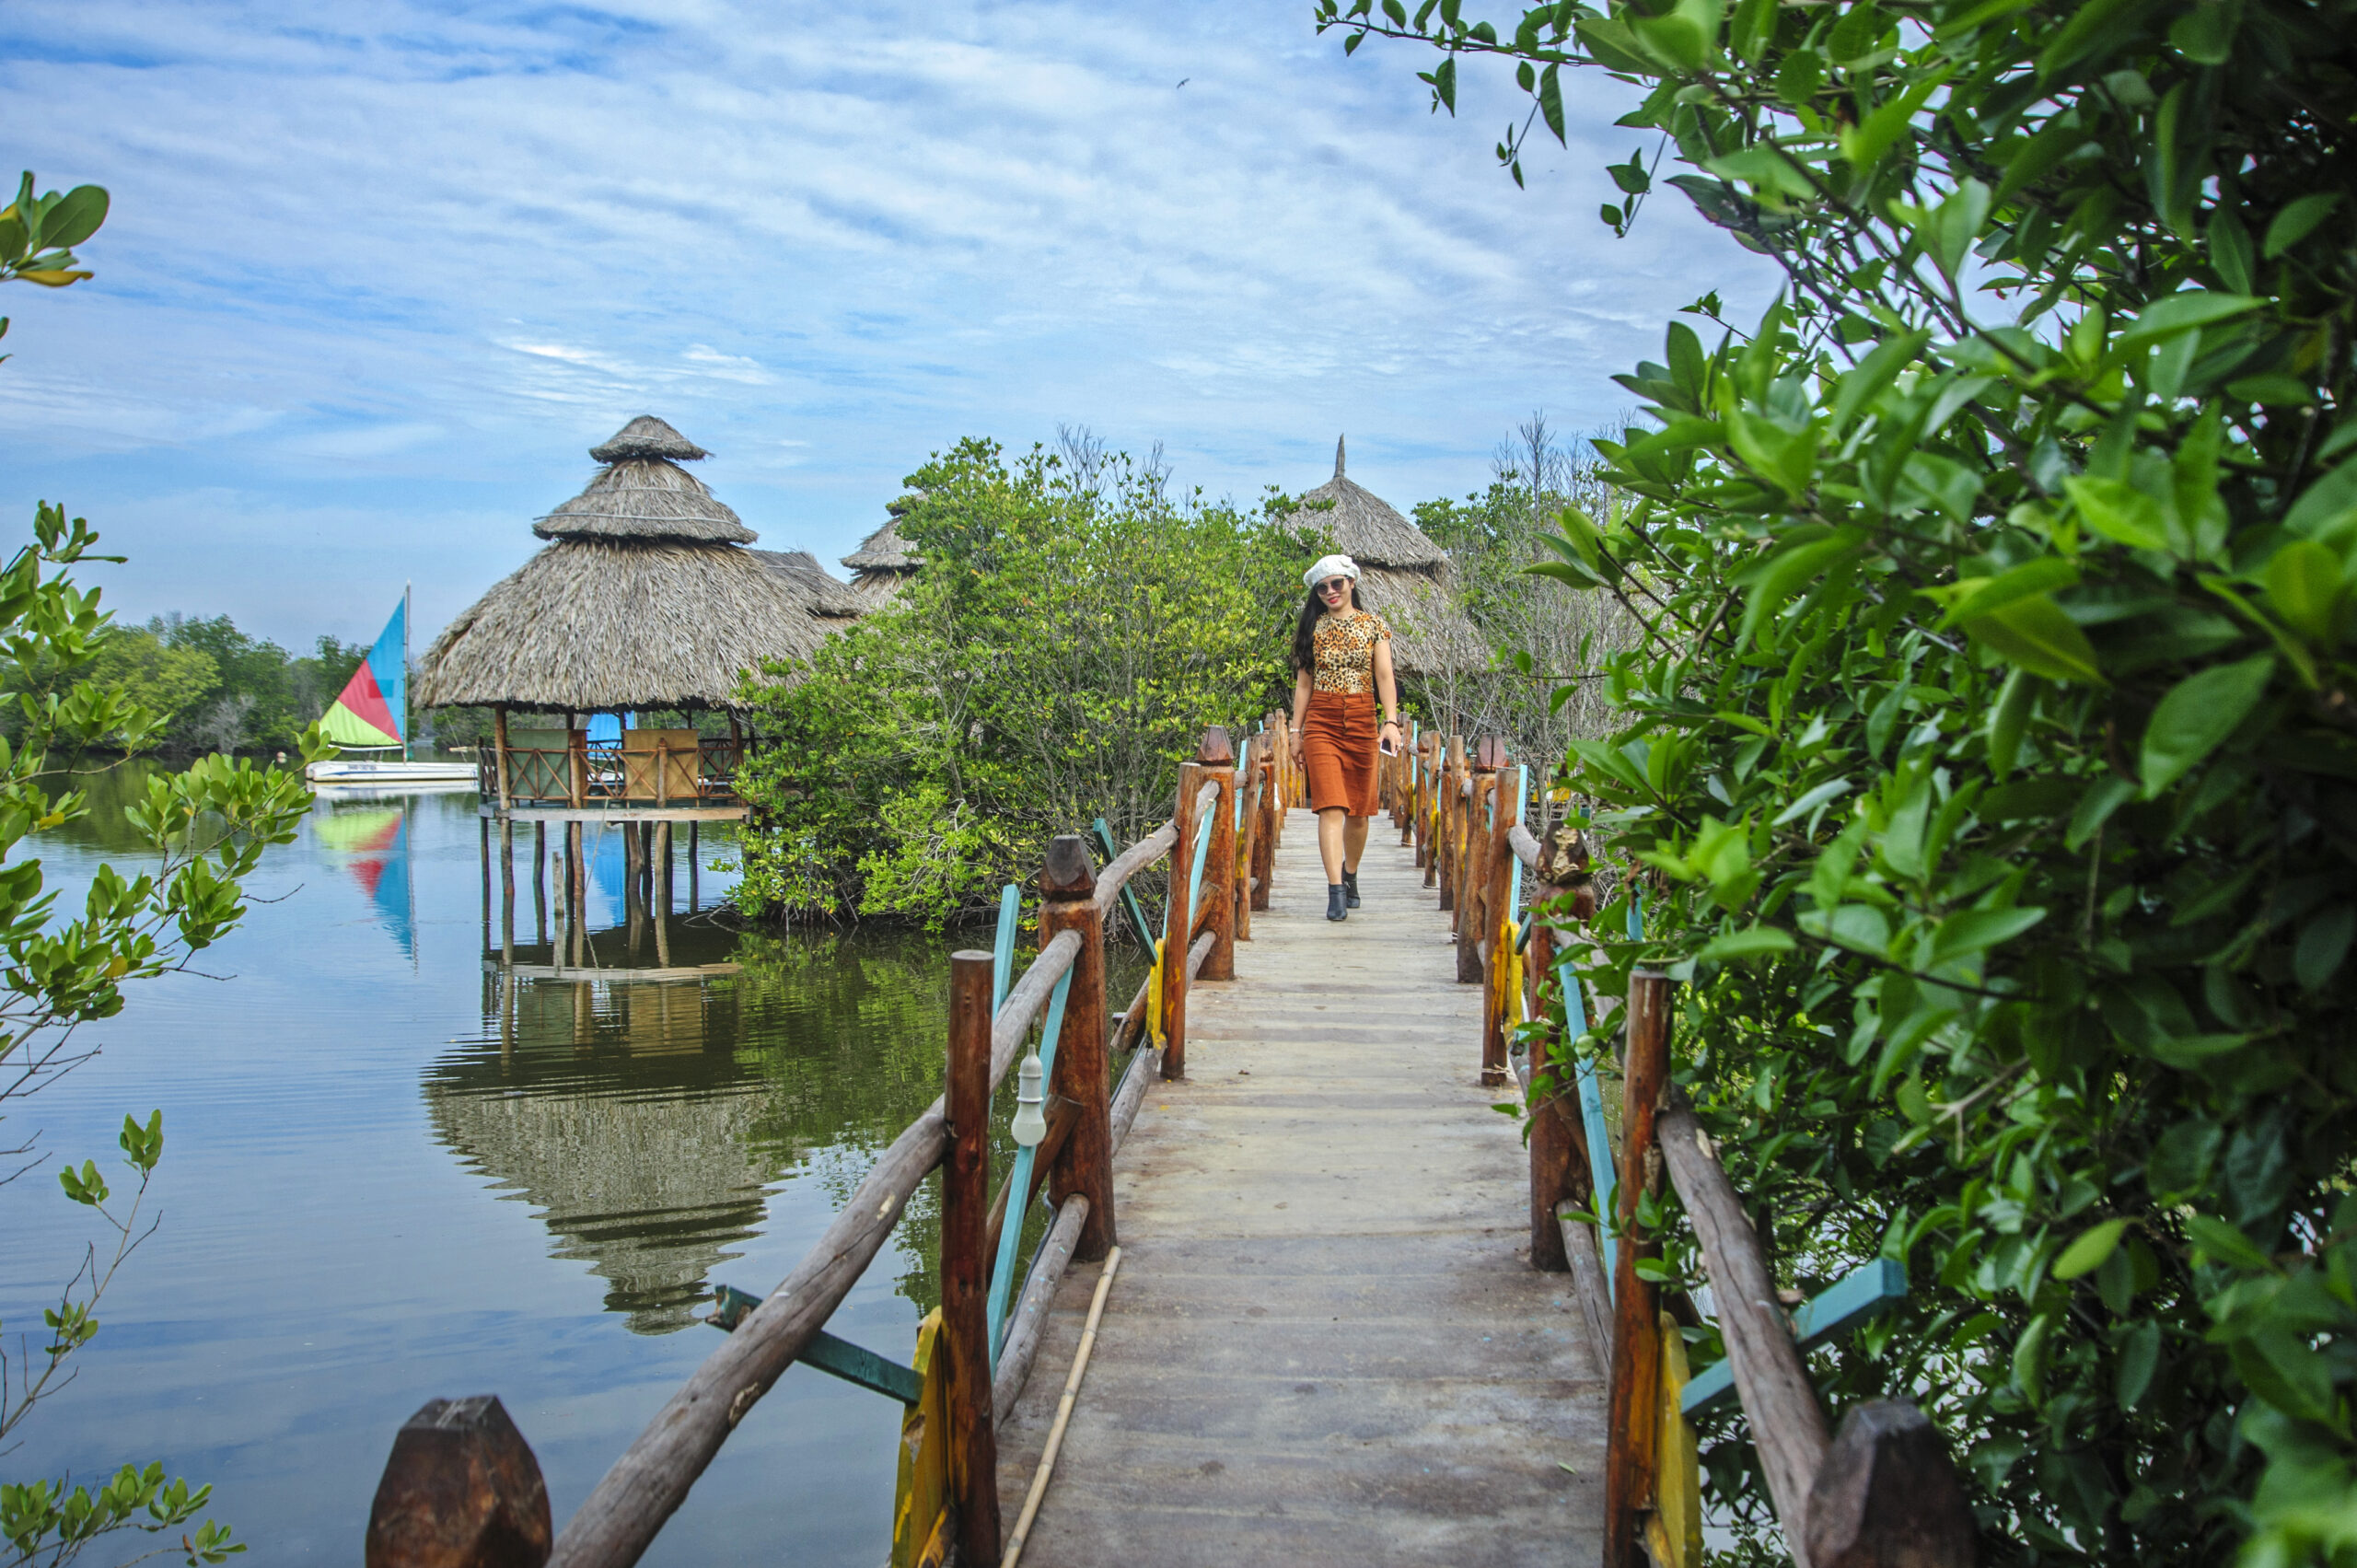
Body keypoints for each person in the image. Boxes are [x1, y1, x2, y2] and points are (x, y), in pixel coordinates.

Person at [1287, 553, 1402, 922]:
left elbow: (1384, 677)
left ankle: (1350, 872)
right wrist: (1295, 730)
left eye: (1336, 584)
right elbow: (1304, 684)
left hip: (1361, 717)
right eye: (1322, 588)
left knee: (1360, 812)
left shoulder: (1374, 626)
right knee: (1331, 805)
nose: (1330, 592)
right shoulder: (1314, 628)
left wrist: (1391, 721)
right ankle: (1335, 890)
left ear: (1351, 583)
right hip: (1321, 718)